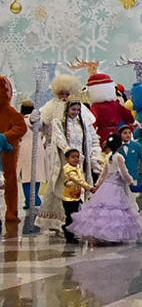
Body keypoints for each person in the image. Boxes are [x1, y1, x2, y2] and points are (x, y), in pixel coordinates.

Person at [66, 134, 142, 244]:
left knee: (104, 213)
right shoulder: (119, 157)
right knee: (115, 213)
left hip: (107, 186)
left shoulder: (108, 156)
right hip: (116, 187)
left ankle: (102, 235)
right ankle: (114, 236)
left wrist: (97, 185)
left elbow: (103, 174)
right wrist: (130, 182)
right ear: (119, 144)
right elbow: (123, 173)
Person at [39, 97, 100, 231]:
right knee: (64, 191)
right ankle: (63, 223)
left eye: (78, 110)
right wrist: (70, 153)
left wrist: (92, 156)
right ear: (67, 110)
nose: (76, 112)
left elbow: (91, 139)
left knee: (79, 191)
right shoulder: (58, 122)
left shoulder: (82, 123)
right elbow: (59, 139)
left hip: (80, 162)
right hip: (64, 162)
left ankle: (77, 221)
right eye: (73, 109)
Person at [0, 76, 27, 229]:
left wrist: (5, 137)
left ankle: (11, 212)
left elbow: (20, 128)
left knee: (10, 181)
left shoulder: (11, 112)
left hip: (7, 152)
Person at [61, 149, 94, 244]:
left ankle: (68, 229)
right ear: (67, 159)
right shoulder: (68, 169)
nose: (76, 159)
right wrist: (90, 188)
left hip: (76, 196)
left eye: (77, 157)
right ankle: (69, 236)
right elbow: (78, 181)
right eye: (73, 157)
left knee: (76, 215)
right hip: (68, 198)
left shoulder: (77, 167)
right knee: (71, 216)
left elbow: (81, 180)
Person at [16, 101, 40, 211]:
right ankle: (34, 199)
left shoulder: (19, 121)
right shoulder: (37, 121)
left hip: (24, 150)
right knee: (37, 176)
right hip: (38, 150)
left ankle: (31, 200)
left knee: (26, 177)